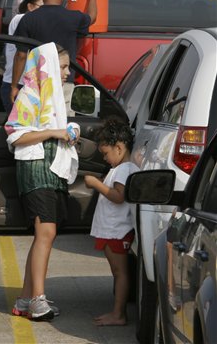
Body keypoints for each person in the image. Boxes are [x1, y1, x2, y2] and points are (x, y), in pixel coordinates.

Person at [5, 42, 80, 321]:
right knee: (45, 234)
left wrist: (67, 132)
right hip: (35, 170)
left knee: (45, 235)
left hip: (51, 170)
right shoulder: (30, 95)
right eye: (62, 67)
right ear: (46, 67)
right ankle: (38, 299)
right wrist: (54, 133)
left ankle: (25, 299)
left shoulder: (54, 97)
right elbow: (15, 135)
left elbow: (53, 131)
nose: (67, 72)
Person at [11, 0, 100, 106]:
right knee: (61, 122)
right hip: (64, 80)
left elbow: (21, 55)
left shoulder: (28, 19)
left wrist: (14, 86)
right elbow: (92, 17)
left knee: (37, 122)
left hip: (37, 82)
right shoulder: (73, 18)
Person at [84, 118, 138, 326]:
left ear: (119, 147)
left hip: (117, 231)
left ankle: (118, 314)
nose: (105, 158)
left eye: (106, 153)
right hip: (112, 231)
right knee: (118, 272)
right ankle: (117, 312)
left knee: (120, 273)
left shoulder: (125, 169)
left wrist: (95, 183)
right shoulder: (120, 169)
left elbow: (118, 196)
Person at [1, 0, 43, 113]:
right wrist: (14, 86)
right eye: (40, 7)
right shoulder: (21, 19)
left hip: (29, 84)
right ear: (30, 6)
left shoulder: (32, 21)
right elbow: (21, 54)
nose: (42, 11)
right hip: (17, 83)